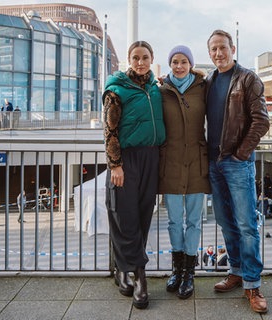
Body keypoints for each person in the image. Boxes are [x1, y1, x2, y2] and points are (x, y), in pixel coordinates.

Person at [206, 29, 270, 314]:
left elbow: (261, 121)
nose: (218, 53)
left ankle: (253, 284)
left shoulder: (247, 79)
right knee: (224, 220)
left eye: (222, 48)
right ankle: (235, 271)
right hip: (214, 162)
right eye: (213, 49)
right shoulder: (208, 81)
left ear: (232, 48)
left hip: (237, 162)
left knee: (246, 224)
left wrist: (241, 153)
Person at [102, 40, 165, 309]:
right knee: (123, 215)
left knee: (142, 215)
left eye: (145, 57)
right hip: (126, 160)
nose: (141, 62)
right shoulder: (116, 90)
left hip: (151, 156)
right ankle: (139, 276)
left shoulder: (155, 87)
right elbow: (109, 130)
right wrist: (115, 164)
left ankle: (122, 268)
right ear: (129, 59)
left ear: (152, 59)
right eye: (136, 57)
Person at [159, 45, 211, 299]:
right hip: (171, 163)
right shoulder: (161, 90)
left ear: (190, 63)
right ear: (170, 65)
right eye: (174, 62)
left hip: (197, 163)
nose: (179, 66)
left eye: (183, 61)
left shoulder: (203, 88)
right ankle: (177, 269)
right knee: (173, 221)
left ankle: (189, 272)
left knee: (193, 221)